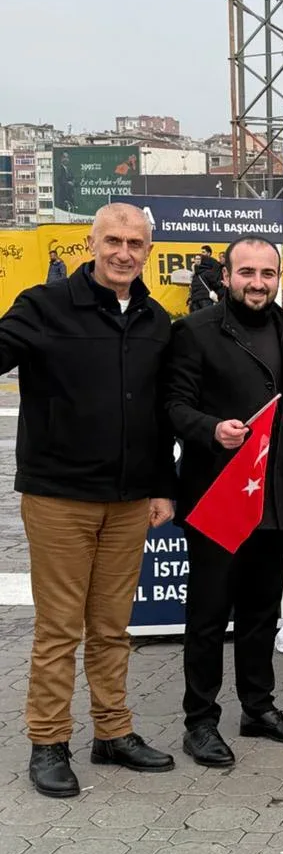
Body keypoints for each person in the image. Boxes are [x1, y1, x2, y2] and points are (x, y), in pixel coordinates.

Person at [0, 203, 176, 797]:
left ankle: (112, 732)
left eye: (136, 243)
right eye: (113, 241)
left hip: (129, 501)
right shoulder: (43, 306)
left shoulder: (156, 318)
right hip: (59, 498)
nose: (124, 252)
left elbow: (157, 414)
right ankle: (48, 741)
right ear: (90, 243)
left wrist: (161, 487)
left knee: (112, 627)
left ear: (148, 251)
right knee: (58, 629)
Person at [165, 234, 283, 768]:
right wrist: (211, 429)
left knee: (259, 612)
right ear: (225, 277)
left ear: (278, 278)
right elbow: (173, 406)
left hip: (271, 496)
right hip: (217, 495)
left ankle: (258, 707)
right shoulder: (193, 332)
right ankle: (200, 722)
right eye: (246, 272)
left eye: (267, 273)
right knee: (208, 615)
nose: (257, 283)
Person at [188, 245, 223, 314]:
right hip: (205, 298)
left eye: (203, 252)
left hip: (195, 299)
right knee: (207, 317)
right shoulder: (208, 272)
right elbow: (215, 283)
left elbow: (192, 287)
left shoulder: (195, 275)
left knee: (197, 320)